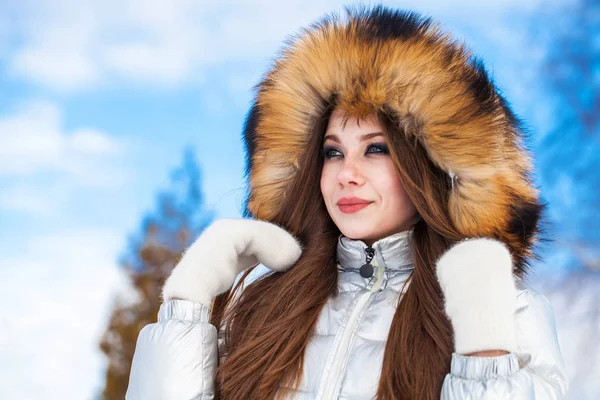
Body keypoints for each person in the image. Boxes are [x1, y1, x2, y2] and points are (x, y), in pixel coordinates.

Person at [126, 6, 569, 399]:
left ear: (431, 166)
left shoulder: (507, 311)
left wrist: (484, 353)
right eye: (332, 152)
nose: (346, 173)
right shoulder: (263, 309)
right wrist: (188, 303)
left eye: (376, 149)